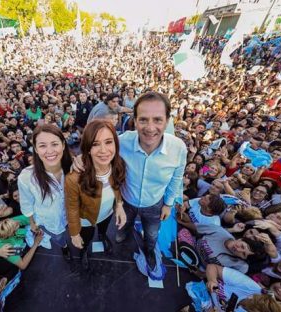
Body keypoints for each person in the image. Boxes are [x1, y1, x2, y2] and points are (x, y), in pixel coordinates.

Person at [75, 92, 187, 270]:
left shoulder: (178, 148)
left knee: (151, 236)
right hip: (126, 201)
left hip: (154, 204)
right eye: (143, 120)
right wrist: (81, 157)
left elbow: (177, 178)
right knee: (121, 230)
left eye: (157, 120)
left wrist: (168, 204)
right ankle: (122, 236)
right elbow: (99, 146)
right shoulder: (122, 142)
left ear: (167, 120)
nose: (150, 128)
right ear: (134, 121)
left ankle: (149, 252)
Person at [65, 120, 127, 269]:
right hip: (87, 219)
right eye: (95, 144)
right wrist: (74, 234)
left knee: (103, 229)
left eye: (108, 142)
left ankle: (102, 236)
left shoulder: (118, 165)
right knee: (86, 237)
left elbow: (117, 187)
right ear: (87, 148)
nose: (104, 150)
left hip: (107, 213)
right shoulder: (74, 178)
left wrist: (119, 206)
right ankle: (84, 251)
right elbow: (72, 207)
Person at [18, 124, 73, 261]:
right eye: (42, 146)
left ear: (63, 145)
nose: (49, 151)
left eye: (54, 144)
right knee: (59, 237)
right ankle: (64, 247)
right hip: (51, 220)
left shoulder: (74, 167)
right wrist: (32, 222)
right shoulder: (26, 177)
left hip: (74, 214)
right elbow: (26, 203)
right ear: (35, 149)